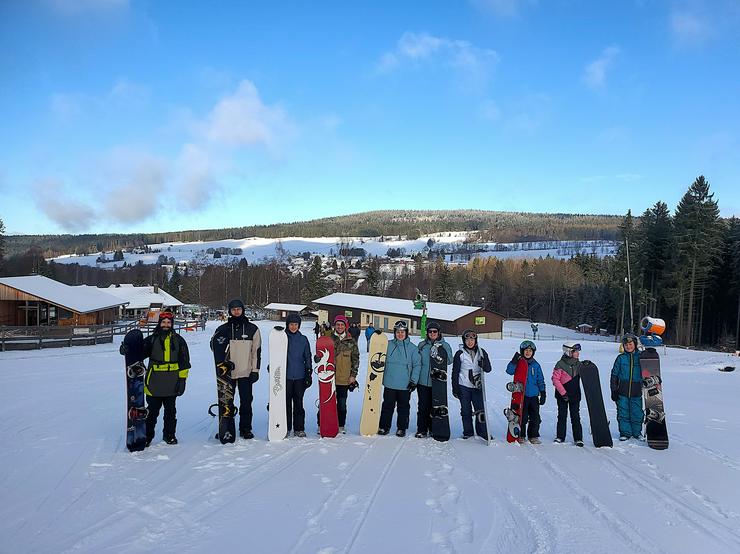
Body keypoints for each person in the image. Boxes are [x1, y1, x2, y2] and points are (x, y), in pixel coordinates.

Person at [211, 299, 261, 440]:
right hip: (227, 374)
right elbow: (215, 348)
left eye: (239, 309)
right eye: (233, 309)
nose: (236, 312)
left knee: (246, 402)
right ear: (230, 311)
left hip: (246, 372)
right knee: (227, 402)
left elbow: (256, 352)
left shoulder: (253, 329)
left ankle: (245, 428)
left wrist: (255, 371)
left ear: (243, 310)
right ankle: (225, 428)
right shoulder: (223, 329)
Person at [143, 311, 190, 446]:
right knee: (151, 412)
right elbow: (138, 353)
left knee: (170, 412)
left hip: (172, 382)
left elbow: (184, 363)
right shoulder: (152, 339)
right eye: (163, 322)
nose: (166, 325)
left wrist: (182, 380)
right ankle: (147, 436)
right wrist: (128, 350)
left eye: (168, 323)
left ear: (172, 324)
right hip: (154, 382)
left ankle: (169, 435)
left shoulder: (179, 341)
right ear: (159, 323)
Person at [317, 315, 359, 433]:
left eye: (342, 325)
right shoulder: (328, 338)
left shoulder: (351, 341)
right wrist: (317, 358)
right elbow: (320, 354)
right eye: (338, 324)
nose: (340, 327)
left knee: (341, 403)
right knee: (325, 401)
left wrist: (353, 375)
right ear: (335, 325)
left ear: (346, 326)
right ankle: (321, 424)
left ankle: (341, 425)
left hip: (344, 378)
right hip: (328, 377)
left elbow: (355, 359)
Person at [379, 320, 421, 437]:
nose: (400, 334)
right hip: (390, 382)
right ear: (395, 333)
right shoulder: (388, 345)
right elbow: (378, 353)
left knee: (403, 407)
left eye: (402, 332)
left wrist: (414, 381)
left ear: (406, 333)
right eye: (398, 332)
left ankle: (401, 428)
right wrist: (377, 337)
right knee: (387, 406)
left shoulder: (413, 348)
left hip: (405, 384)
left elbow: (417, 365)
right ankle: (384, 426)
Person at [452, 329, 493, 440]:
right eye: (467, 339)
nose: (470, 342)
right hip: (463, 385)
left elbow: (488, 369)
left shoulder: (481, 352)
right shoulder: (459, 354)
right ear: (464, 341)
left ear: (475, 340)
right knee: (466, 410)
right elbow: (455, 372)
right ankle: (468, 432)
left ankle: (482, 432)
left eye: (472, 339)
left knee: (480, 409)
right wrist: (455, 388)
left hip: (477, 386)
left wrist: (483, 364)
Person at [414, 321, 453, 438]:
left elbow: (449, 360)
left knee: (434, 406)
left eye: (434, 331)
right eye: (430, 331)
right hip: (423, 381)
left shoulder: (445, 345)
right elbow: (416, 361)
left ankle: (433, 428)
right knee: (423, 406)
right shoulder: (422, 345)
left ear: (439, 332)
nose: (432, 333)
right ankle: (421, 429)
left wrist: (441, 350)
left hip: (437, 383)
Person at [506, 340, 546, 444]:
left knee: (535, 417)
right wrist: (514, 361)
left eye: (530, 351)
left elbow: (540, 380)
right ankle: (521, 435)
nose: (528, 352)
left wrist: (543, 392)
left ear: (533, 352)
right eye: (526, 350)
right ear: (522, 351)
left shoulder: (536, 365)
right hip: (521, 396)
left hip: (533, 396)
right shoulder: (519, 363)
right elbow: (509, 371)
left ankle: (533, 435)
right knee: (522, 417)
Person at [610, 334, 644, 441]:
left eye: (630, 344)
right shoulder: (621, 358)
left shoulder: (641, 357)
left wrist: (650, 355)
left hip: (636, 390)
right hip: (622, 391)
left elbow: (648, 370)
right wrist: (614, 390)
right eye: (626, 345)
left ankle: (637, 433)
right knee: (623, 412)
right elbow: (614, 375)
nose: (628, 346)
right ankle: (625, 433)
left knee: (637, 413)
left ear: (635, 344)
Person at [285, 313, 312, 437]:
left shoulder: (303, 339)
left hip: (300, 377)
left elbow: (308, 356)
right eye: (291, 324)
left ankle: (299, 428)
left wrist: (308, 372)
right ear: (287, 325)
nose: (293, 327)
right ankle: (285, 427)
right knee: (285, 403)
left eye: (296, 324)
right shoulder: (282, 338)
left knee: (298, 403)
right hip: (285, 377)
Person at [552, 342, 583, 446]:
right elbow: (555, 380)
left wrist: (588, 367)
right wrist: (563, 393)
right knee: (562, 415)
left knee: (575, 416)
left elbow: (586, 377)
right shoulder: (560, 364)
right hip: (562, 396)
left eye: (578, 351)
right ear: (569, 352)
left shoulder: (579, 364)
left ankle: (578, 438)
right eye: (576, 351)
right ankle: (560, 436)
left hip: (575, 395)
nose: (578, 353)